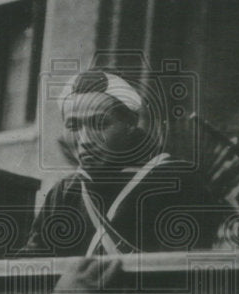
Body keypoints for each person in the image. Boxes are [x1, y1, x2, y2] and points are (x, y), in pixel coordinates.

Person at [24, 69, 220, 256]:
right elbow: (32, 267)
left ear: (130, 124)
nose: (85, 140)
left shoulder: (178, 182)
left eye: (100, 124)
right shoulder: (63, 194)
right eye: (73, 126)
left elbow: (181, 271)